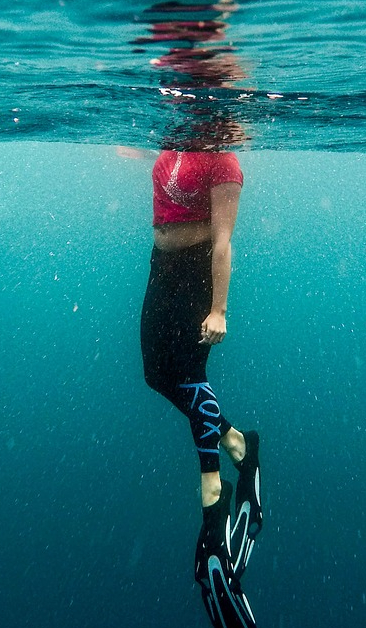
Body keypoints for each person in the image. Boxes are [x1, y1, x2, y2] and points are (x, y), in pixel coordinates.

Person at [140, 138, 262, 628]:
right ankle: (238, 443)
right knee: (156, 374)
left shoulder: (225, 160)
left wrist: (219, 309)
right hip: (160, 266)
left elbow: (223, 240)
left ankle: (213, 501)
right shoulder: (173, 136)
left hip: (195, 276)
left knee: (190, 376)